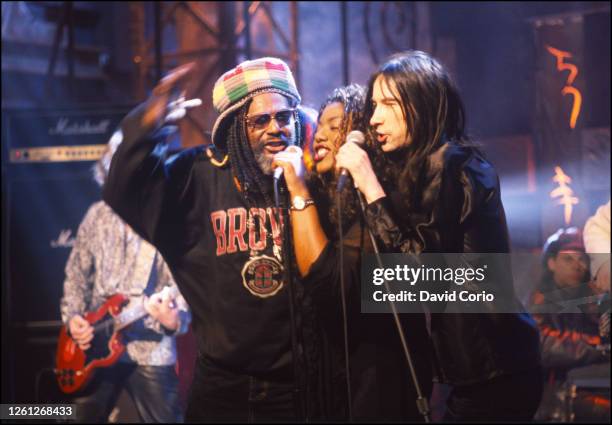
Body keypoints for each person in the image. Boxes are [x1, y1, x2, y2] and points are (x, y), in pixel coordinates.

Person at [102, 58, 326, 422]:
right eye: (260, 120)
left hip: (300, 386)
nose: (276, 129)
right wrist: (149, 122)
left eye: (284, 117)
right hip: (224, 389)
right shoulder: (198, 177)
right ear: (235, 126)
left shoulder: (309, 179)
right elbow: (124, 188)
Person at [328, 50, 542, 421]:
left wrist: (367, 181)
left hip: (496, 371)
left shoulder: (455, 166)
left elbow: (423, 269)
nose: (374, 118)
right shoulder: (425, 168)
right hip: (476, 372)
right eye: (373, 104)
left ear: (422, 103)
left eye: (389, 104)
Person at [273, 83, 433, 422]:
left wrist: (299, 192)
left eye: (335, 127)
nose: (320, 137)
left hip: (380, 384)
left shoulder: (382, 202)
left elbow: (329, 285)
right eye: (320, 128)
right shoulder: (329, 204)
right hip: (333, 382)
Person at [60, 136, 191, 423]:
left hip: (150, 348)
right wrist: (73, 319)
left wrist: (174, 319)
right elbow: (76, 275)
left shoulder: (168, 219)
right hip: (93, 345)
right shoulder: (97, 216)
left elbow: (184, 285)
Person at [531, 227, 609, 421]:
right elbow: (542, 344)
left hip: (588, 391)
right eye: (568, 259)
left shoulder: (590, 300)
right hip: (550, 402)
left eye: (582, 259)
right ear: (551, 263)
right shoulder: (540, 300)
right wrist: (599, 348)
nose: (577, 265)